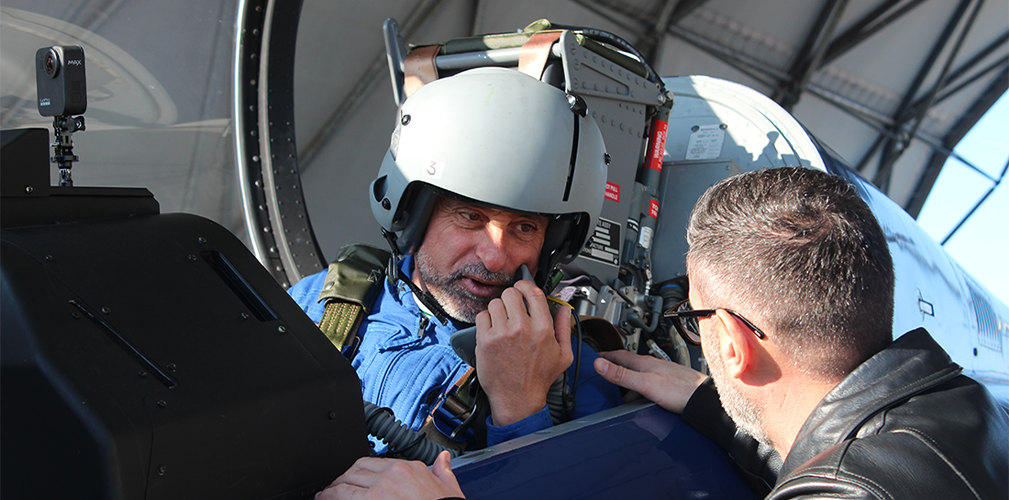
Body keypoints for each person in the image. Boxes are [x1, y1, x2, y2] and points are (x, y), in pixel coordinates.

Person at [319, 167, 1009, 500]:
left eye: (694, 320)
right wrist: (722, 408)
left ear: (732, 346)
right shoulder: (970, 408)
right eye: (468, 218)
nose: (496, 254)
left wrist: (518, 422)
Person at [288, 67, 621, 456]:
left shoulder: (574, 373)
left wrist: (521, 407)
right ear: (413, 213)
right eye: (470, 217)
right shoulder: (321, 303)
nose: (495, 256)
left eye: (525, 227)